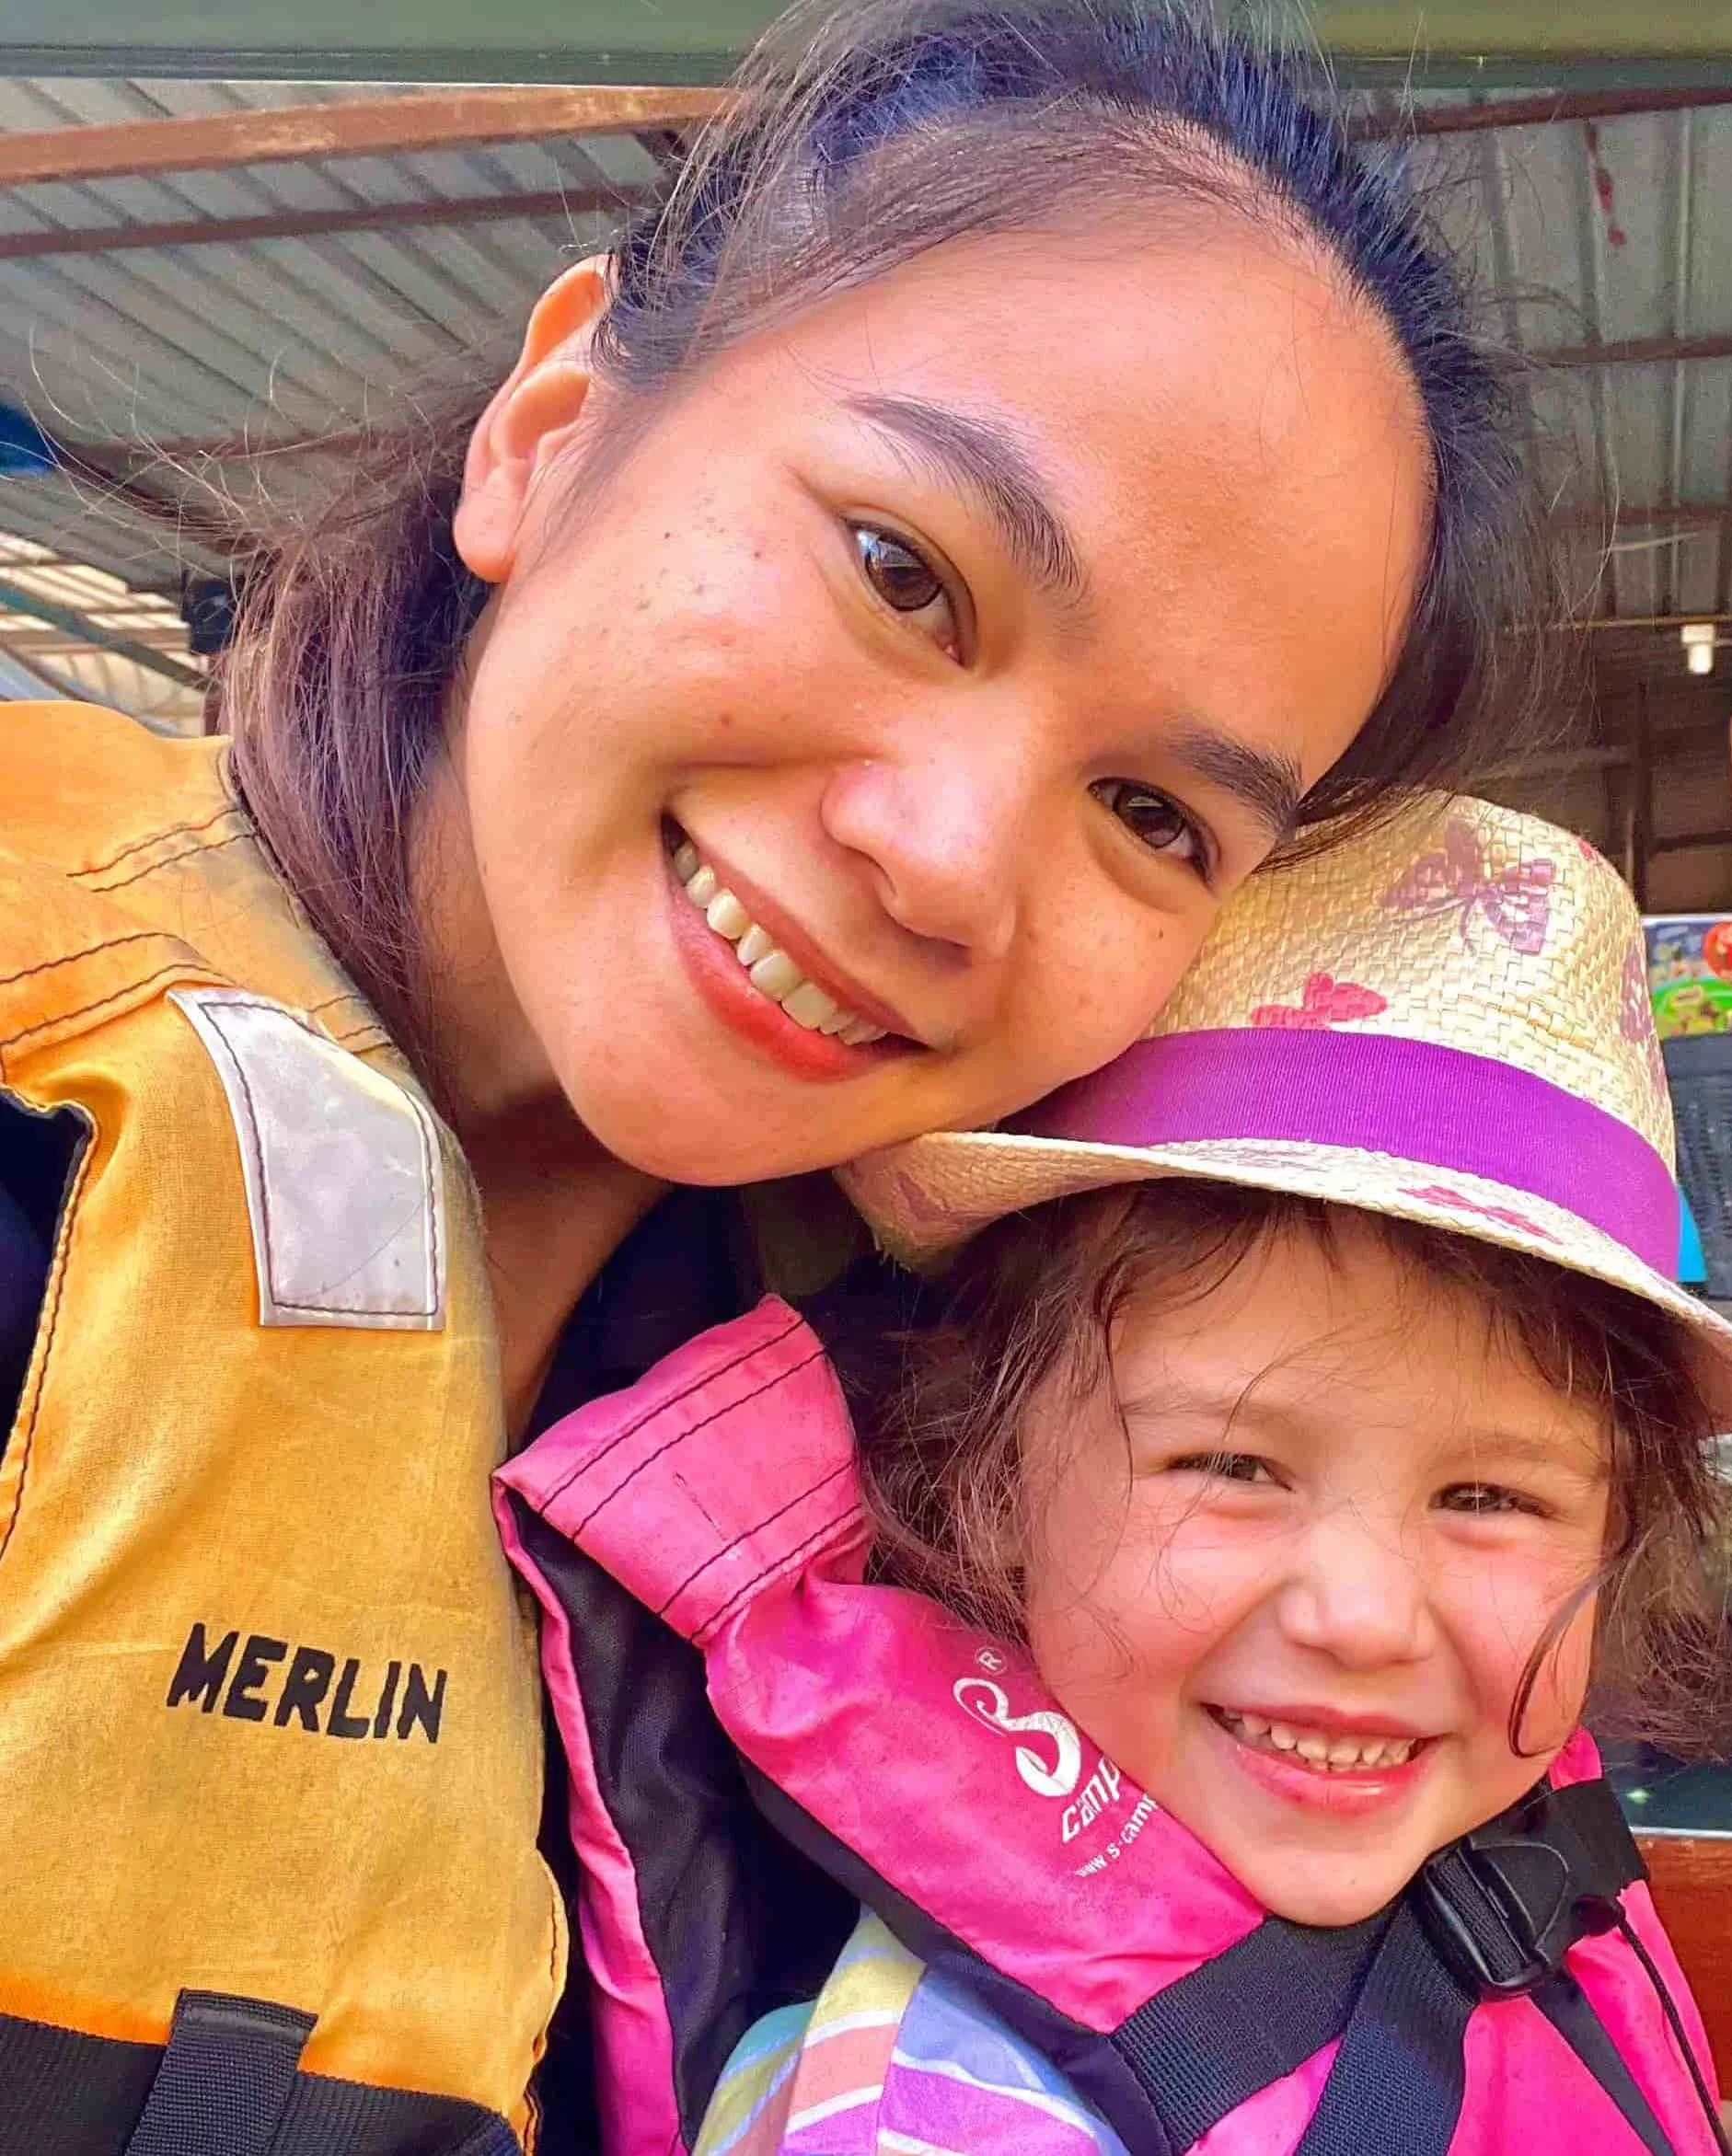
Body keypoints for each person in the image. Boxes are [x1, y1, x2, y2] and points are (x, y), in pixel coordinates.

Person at [0, 6, 1565, 2147]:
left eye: (1149, 815)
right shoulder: (43, 1133)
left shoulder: (972, 1403)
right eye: (904, 571)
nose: (942, 858)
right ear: (548, 430)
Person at [499, 792, 1732, 2154]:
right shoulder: (946, 2117)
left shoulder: (1471, 1825)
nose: (1366, 1616)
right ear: (987, 1479)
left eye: (1490, 1498)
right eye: (1235, 1463)